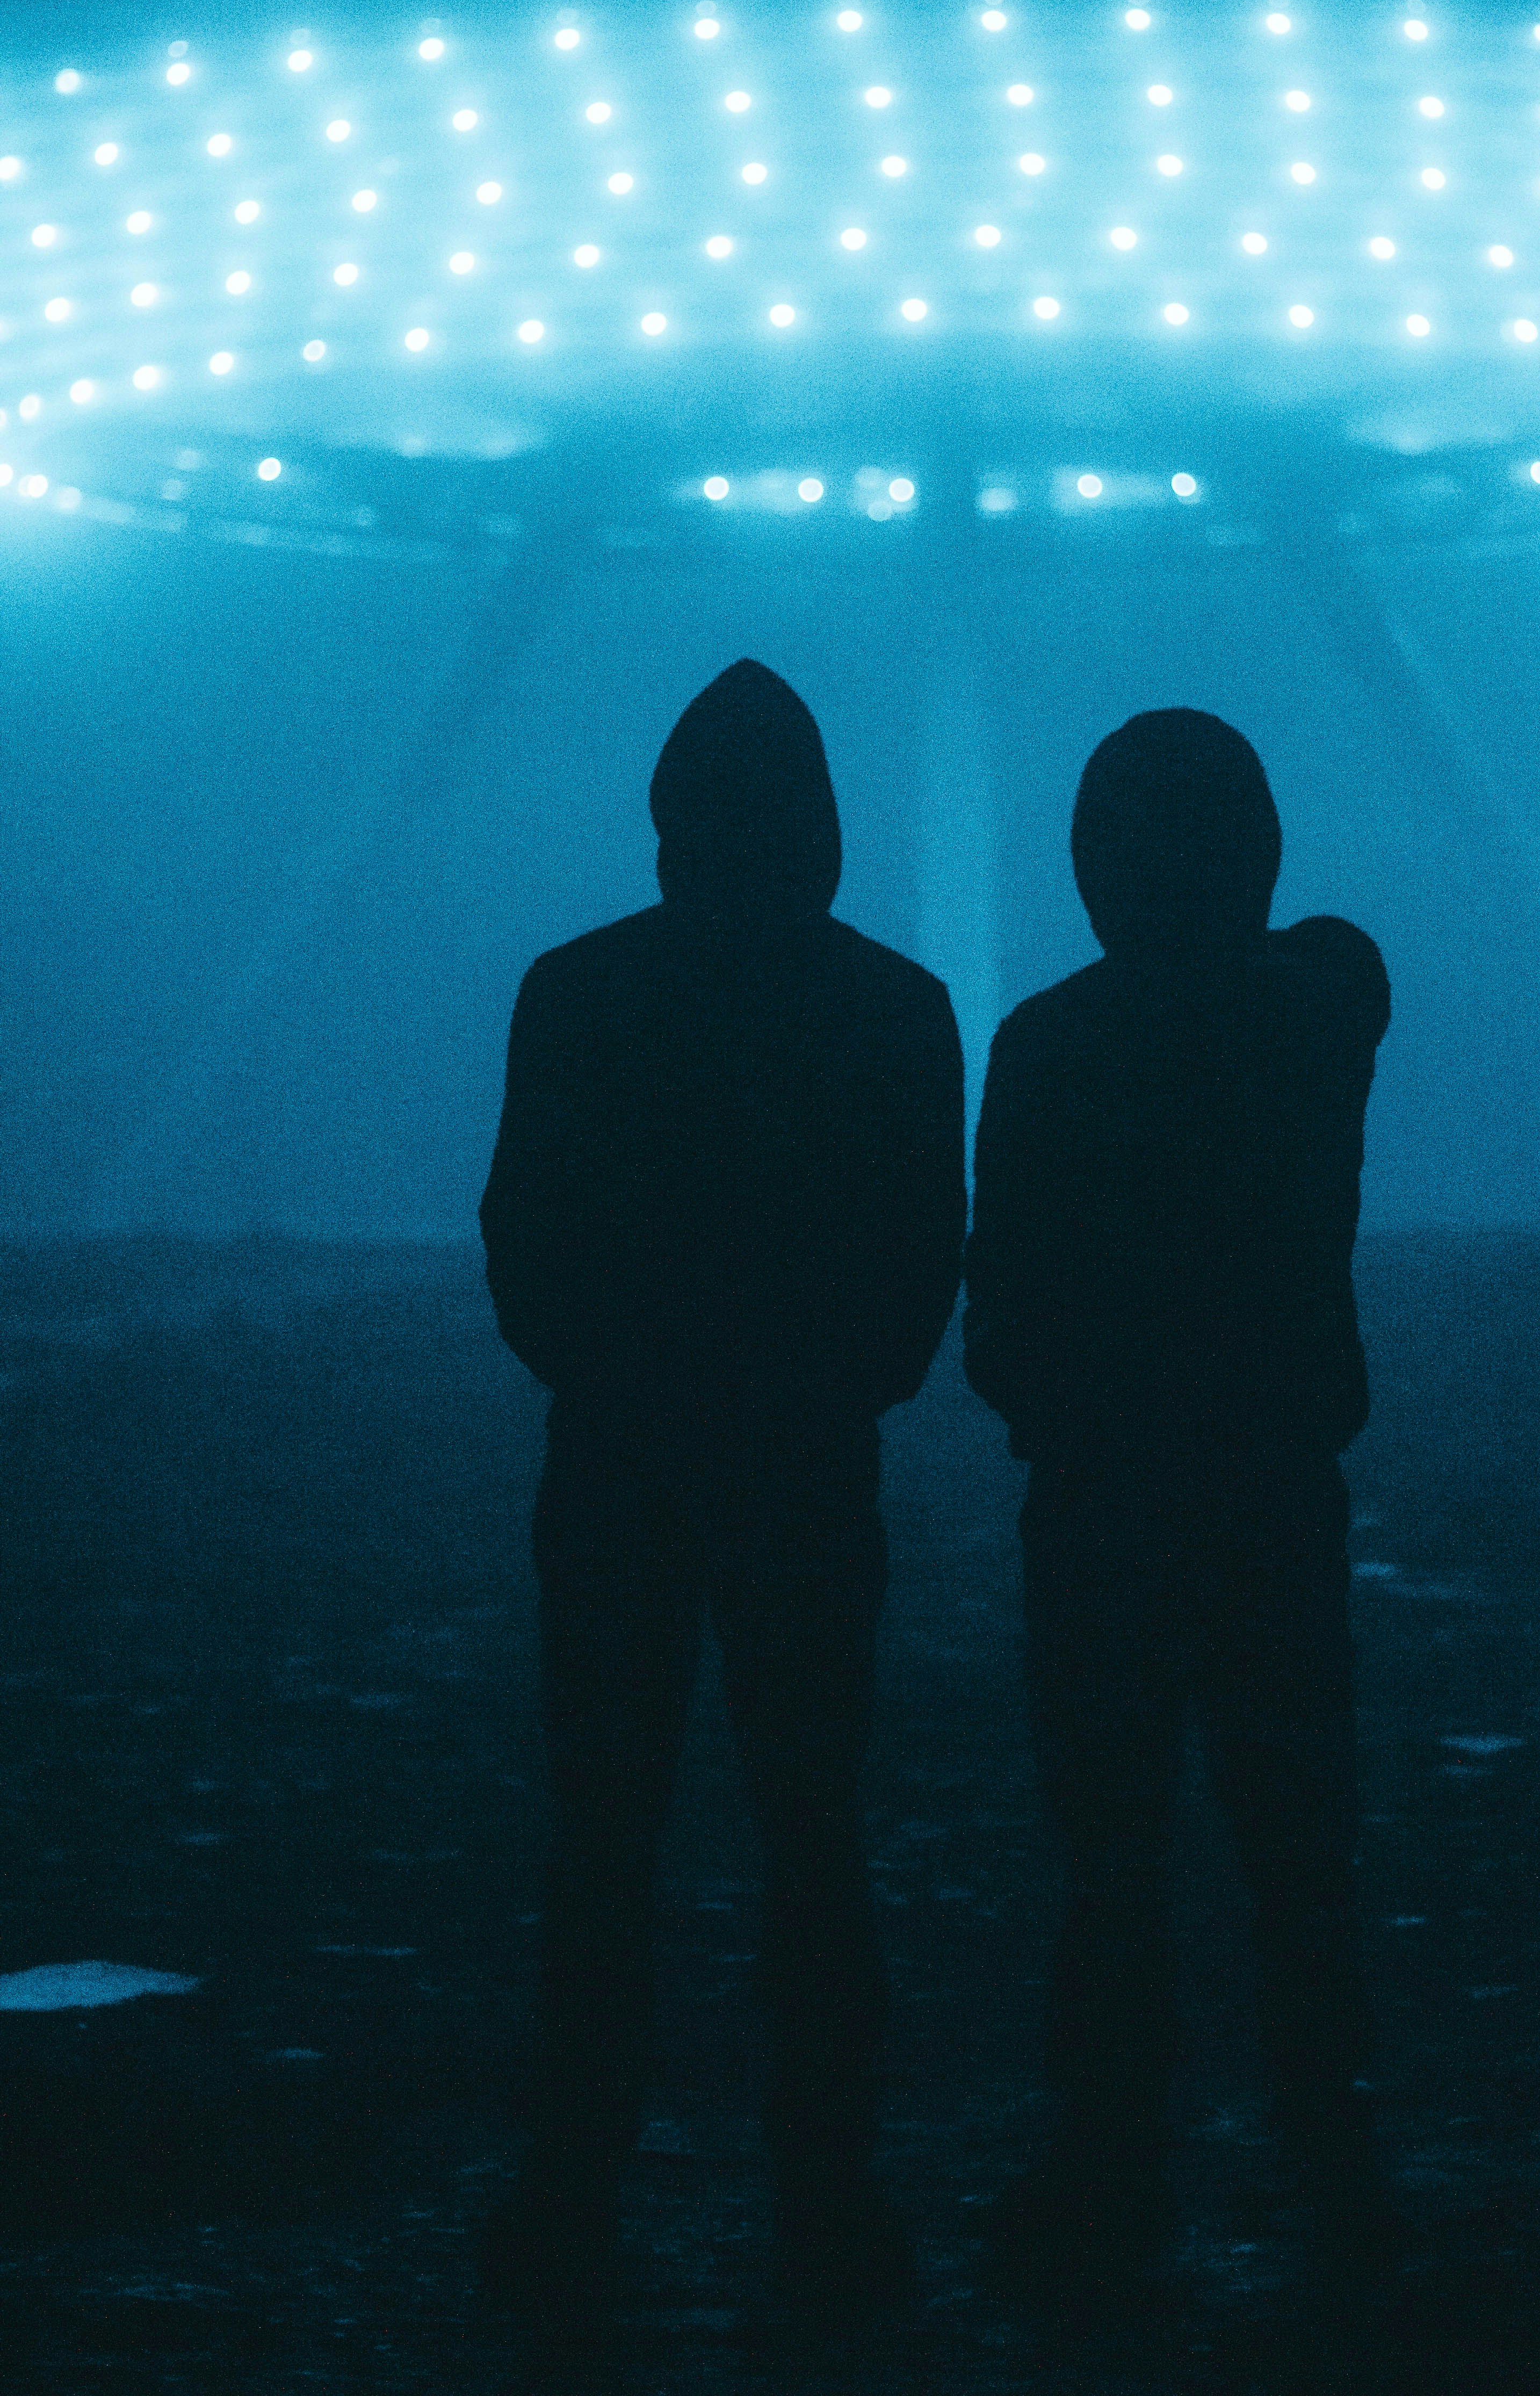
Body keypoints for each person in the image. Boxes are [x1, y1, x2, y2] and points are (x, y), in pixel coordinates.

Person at [476, 659, 966, 2315]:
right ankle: (828, 2191)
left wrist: (607, 1374)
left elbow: (522, 1233)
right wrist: (843, 1383)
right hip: (807, 1464)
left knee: (603, 1833)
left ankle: (574, 2179)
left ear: (670, 820)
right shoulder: (896, 1008)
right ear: (818, 824)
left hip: (618, 1456)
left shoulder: (577, 992)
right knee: (813, 1828)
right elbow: (925, 1250)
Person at [961, 707, 1396, 2284]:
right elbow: (1342, 960)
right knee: (1296, 1839)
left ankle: (1110, 2164)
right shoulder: (1313, 1012)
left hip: (1101, 1503)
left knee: (1110, 1853)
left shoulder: (1048, 1046)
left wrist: (1058, 1407)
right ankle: (1330, 2158)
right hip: (1277, 1488)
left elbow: (996, 1299)